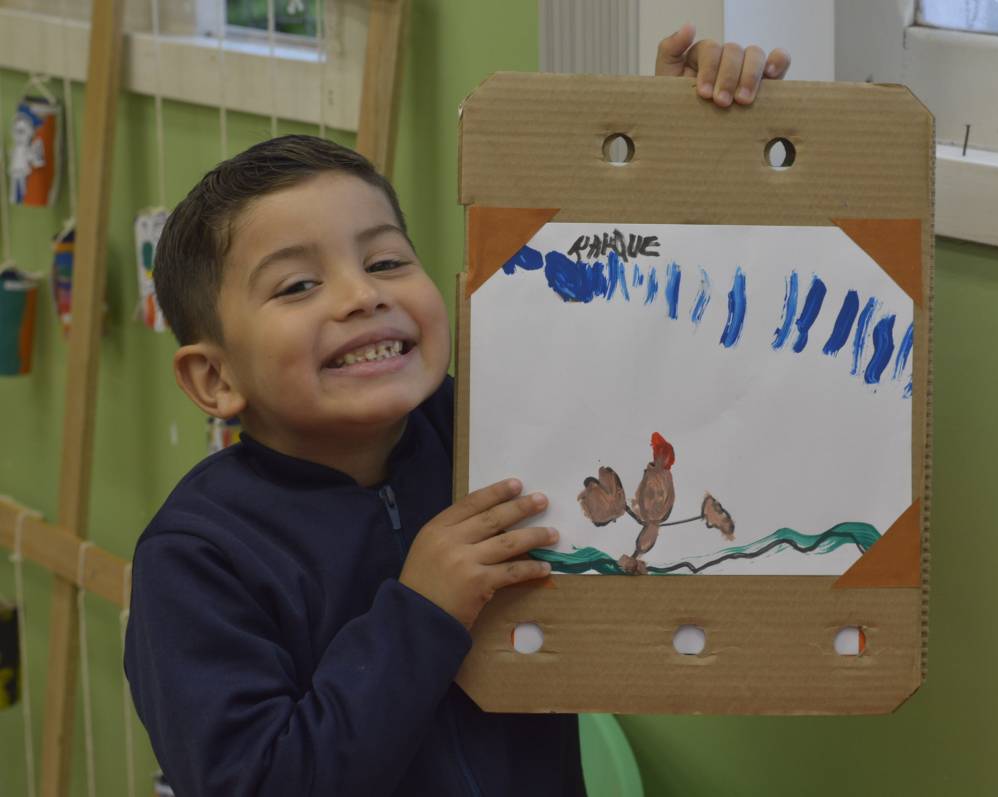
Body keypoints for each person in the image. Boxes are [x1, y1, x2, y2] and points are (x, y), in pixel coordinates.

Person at [124, 27, 790, 796]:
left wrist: (672, 141)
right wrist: (422, 610)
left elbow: (627, 348)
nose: (362, 294)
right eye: (298, 285)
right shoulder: (196, 559)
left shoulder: (497, 429)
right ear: (213, 378)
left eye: (385, 260)